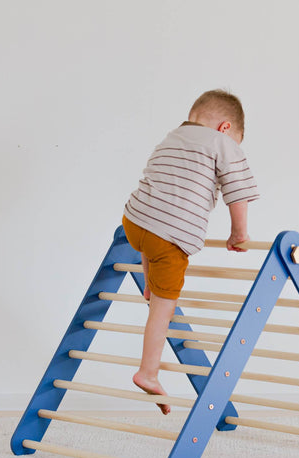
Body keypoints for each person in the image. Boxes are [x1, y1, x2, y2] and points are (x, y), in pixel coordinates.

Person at [122, 89, 259, 414]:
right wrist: (238, 233)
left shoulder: (173, 137)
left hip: (134, 221)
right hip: (168, 236)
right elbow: (237, 191)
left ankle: (150, 283)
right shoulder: (223, 143)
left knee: (154, 233)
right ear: (226, 128)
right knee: (163, 309)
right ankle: (148, 372)